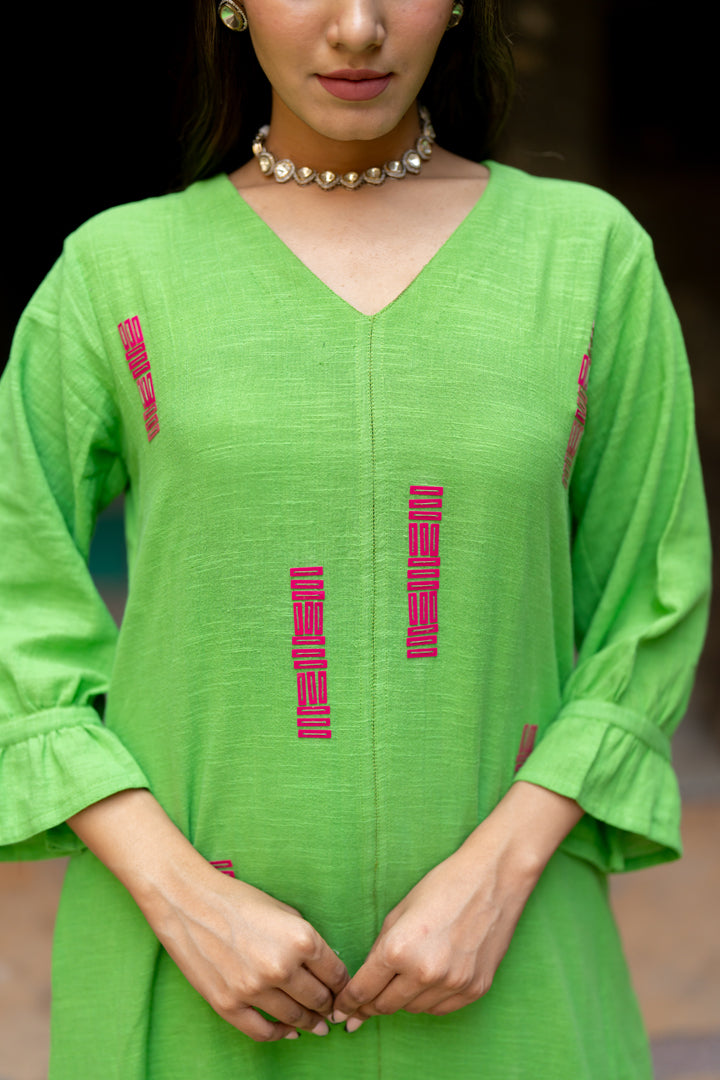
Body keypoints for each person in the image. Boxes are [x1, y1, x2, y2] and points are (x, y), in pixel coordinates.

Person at [0, 0, 712, 1077]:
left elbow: (650, 597)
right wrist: (181, 895)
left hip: (509, 972)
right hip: (193, 981)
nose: (358, 26)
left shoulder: (585, 259)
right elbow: (18, 589)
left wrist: (500, 876)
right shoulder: (118, 272)